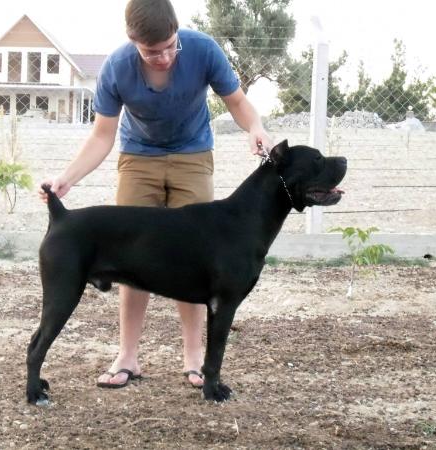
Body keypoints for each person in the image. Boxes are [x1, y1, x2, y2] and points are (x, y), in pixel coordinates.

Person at [39, 0, 273, 389]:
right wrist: (67, 178)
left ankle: (194, 358)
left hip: (193, 155)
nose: (164, 56)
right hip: (139, 158)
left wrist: (255, 127)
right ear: (134, 43)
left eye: (170, 46)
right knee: (130, 257)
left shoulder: (203, 50)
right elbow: (101, 135)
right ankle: (127, 356)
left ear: (177, 33)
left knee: (199, 259)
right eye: (152, 51)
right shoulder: (116, 67)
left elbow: (237, 102)